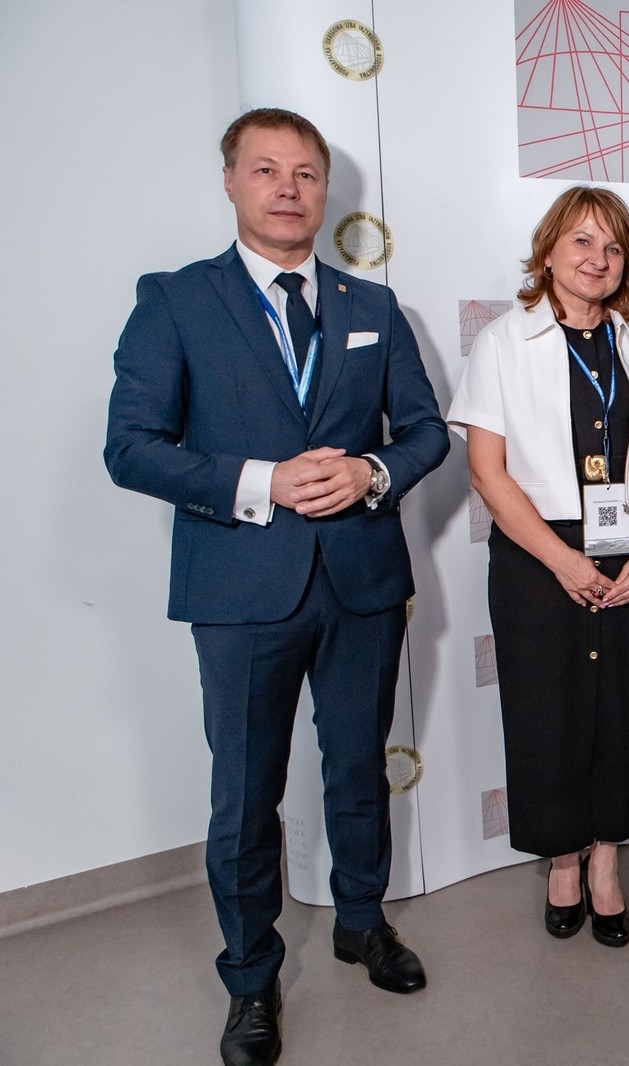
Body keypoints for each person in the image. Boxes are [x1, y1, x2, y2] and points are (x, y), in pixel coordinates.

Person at [104, 108, 448, 1066]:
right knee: (247, 793)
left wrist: (372, 472)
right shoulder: (176, 300)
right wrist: (263, 481)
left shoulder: (374, 305)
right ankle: (251, 978)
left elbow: (424, 431)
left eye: (305, 173)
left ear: (325, 189)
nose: (288, 189)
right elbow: (130, 448)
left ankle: (360, 921)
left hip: (361, 582)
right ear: (230, 182)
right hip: (241, 589)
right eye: (266, 170)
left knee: (357, 769)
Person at [448, 186, 629, 949]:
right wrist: (560, 560)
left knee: (625, 712)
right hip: (536, 556)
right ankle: (561, 862)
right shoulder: (502, 342)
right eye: (582, 241)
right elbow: (487, 471)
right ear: (548, 251)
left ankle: (606, 862)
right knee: (546, 713)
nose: (597, 258)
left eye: (613, 247)